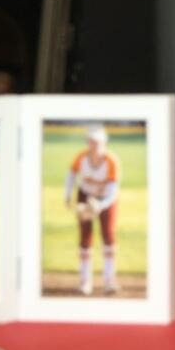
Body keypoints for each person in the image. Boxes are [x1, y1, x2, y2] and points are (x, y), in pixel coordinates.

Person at [64, 125, 120, 295]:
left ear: (104, 143)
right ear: (87, 142)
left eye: (98, 142)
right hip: (86, 195)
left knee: (108, 234)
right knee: (85, 236)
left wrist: (99, 206)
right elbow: (72, 174)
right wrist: (68, 195)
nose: (94, 145)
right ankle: (85, 281)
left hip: (105, 199)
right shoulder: (81, 157)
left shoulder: (111, 161)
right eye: (91, 141)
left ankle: (109, 281)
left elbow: (113, 192)